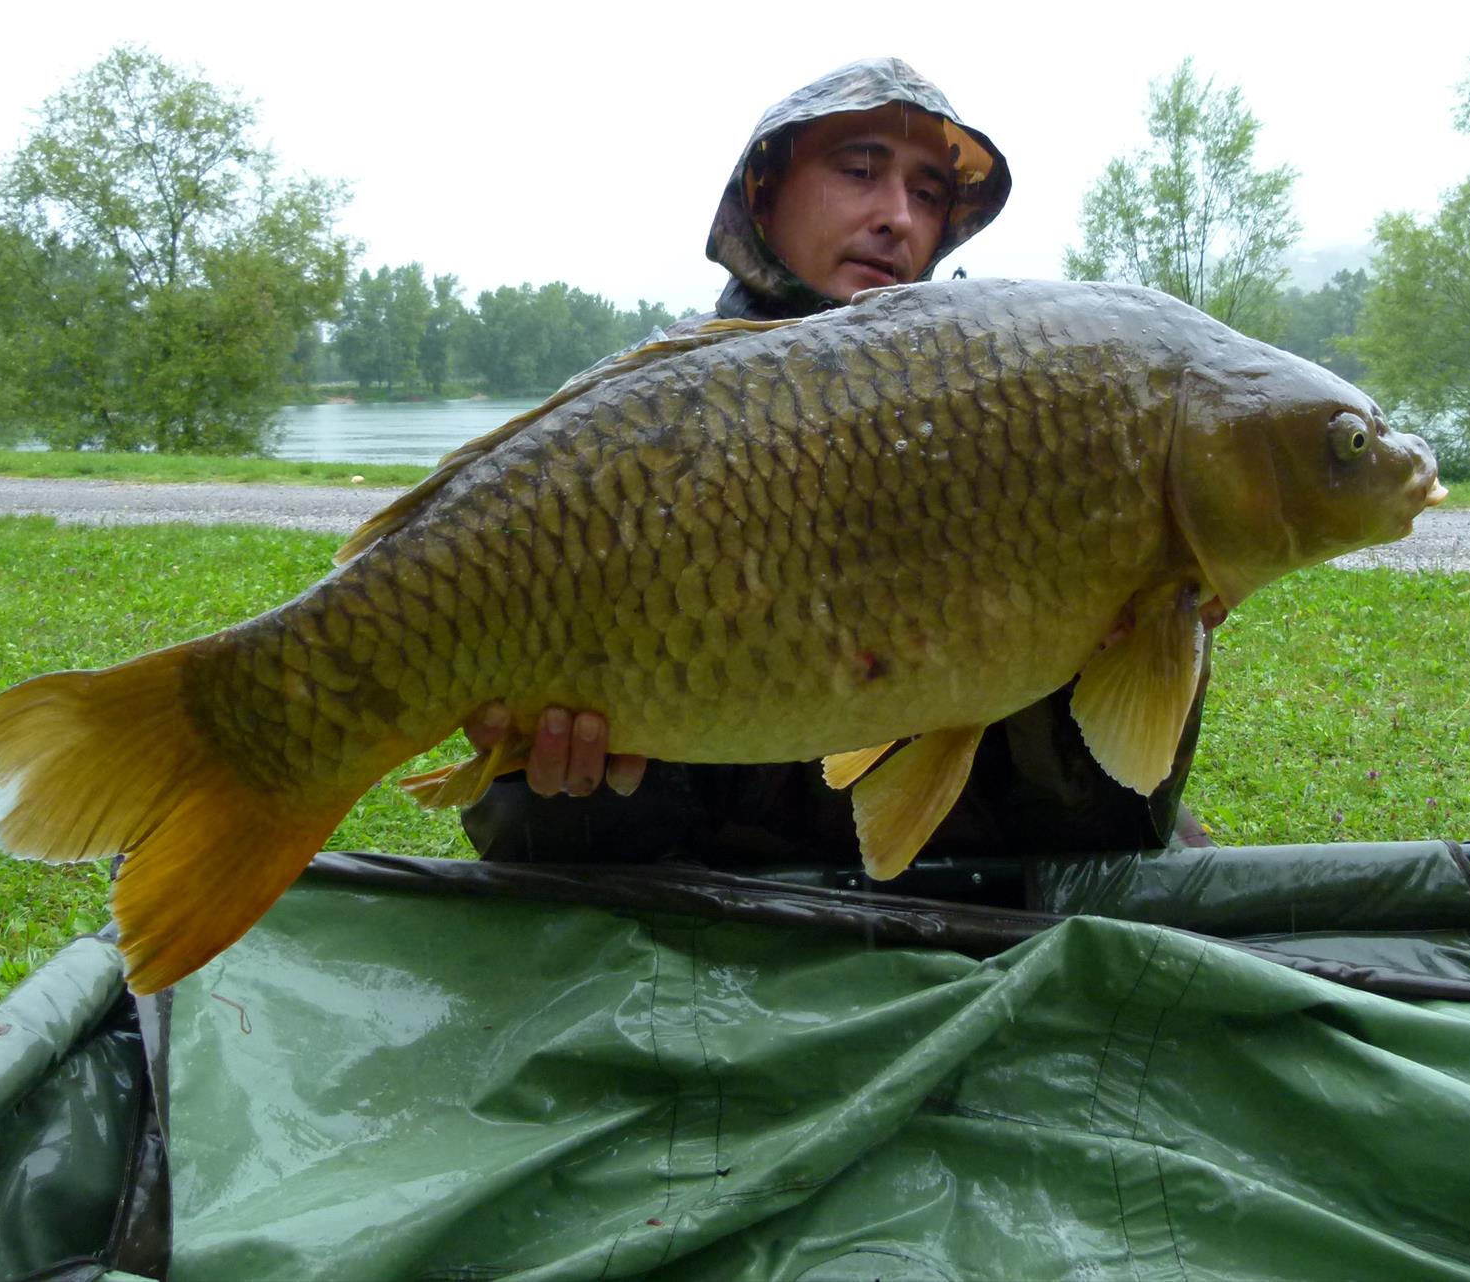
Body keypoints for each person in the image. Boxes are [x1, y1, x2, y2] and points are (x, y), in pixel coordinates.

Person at [459, 58, 1213, 867]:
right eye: (858, 170)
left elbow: (1092, 833)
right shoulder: (635, 422)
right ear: (763, 193)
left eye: (928, 193)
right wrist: (562, 780)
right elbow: (533, 844)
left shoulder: (1008, 415)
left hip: (955, 889)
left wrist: (1107, 651)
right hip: (726, 895)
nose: (898, 217)